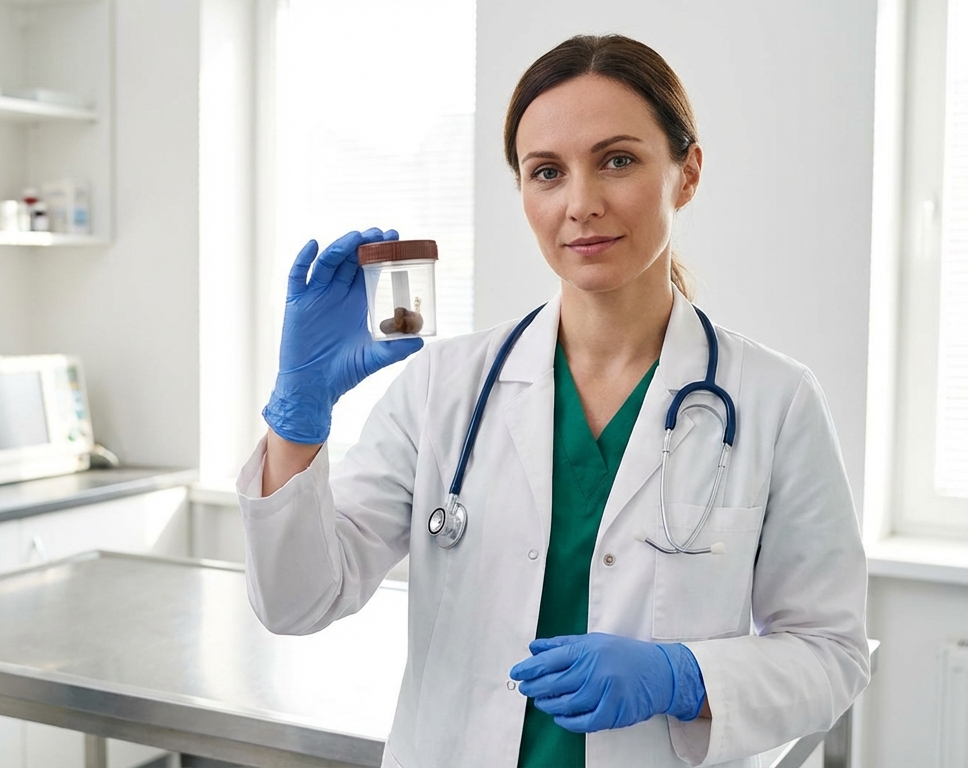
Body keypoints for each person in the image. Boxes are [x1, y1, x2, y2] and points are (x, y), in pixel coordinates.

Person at [237, 34, 869, 768]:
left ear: (686, 173)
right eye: (547, 172)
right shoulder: (447, 387)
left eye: (618, 160)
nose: (581, 204)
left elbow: (831, 655)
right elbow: (298, 602)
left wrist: (683, 678)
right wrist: (297, 417)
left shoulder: (773, 401)